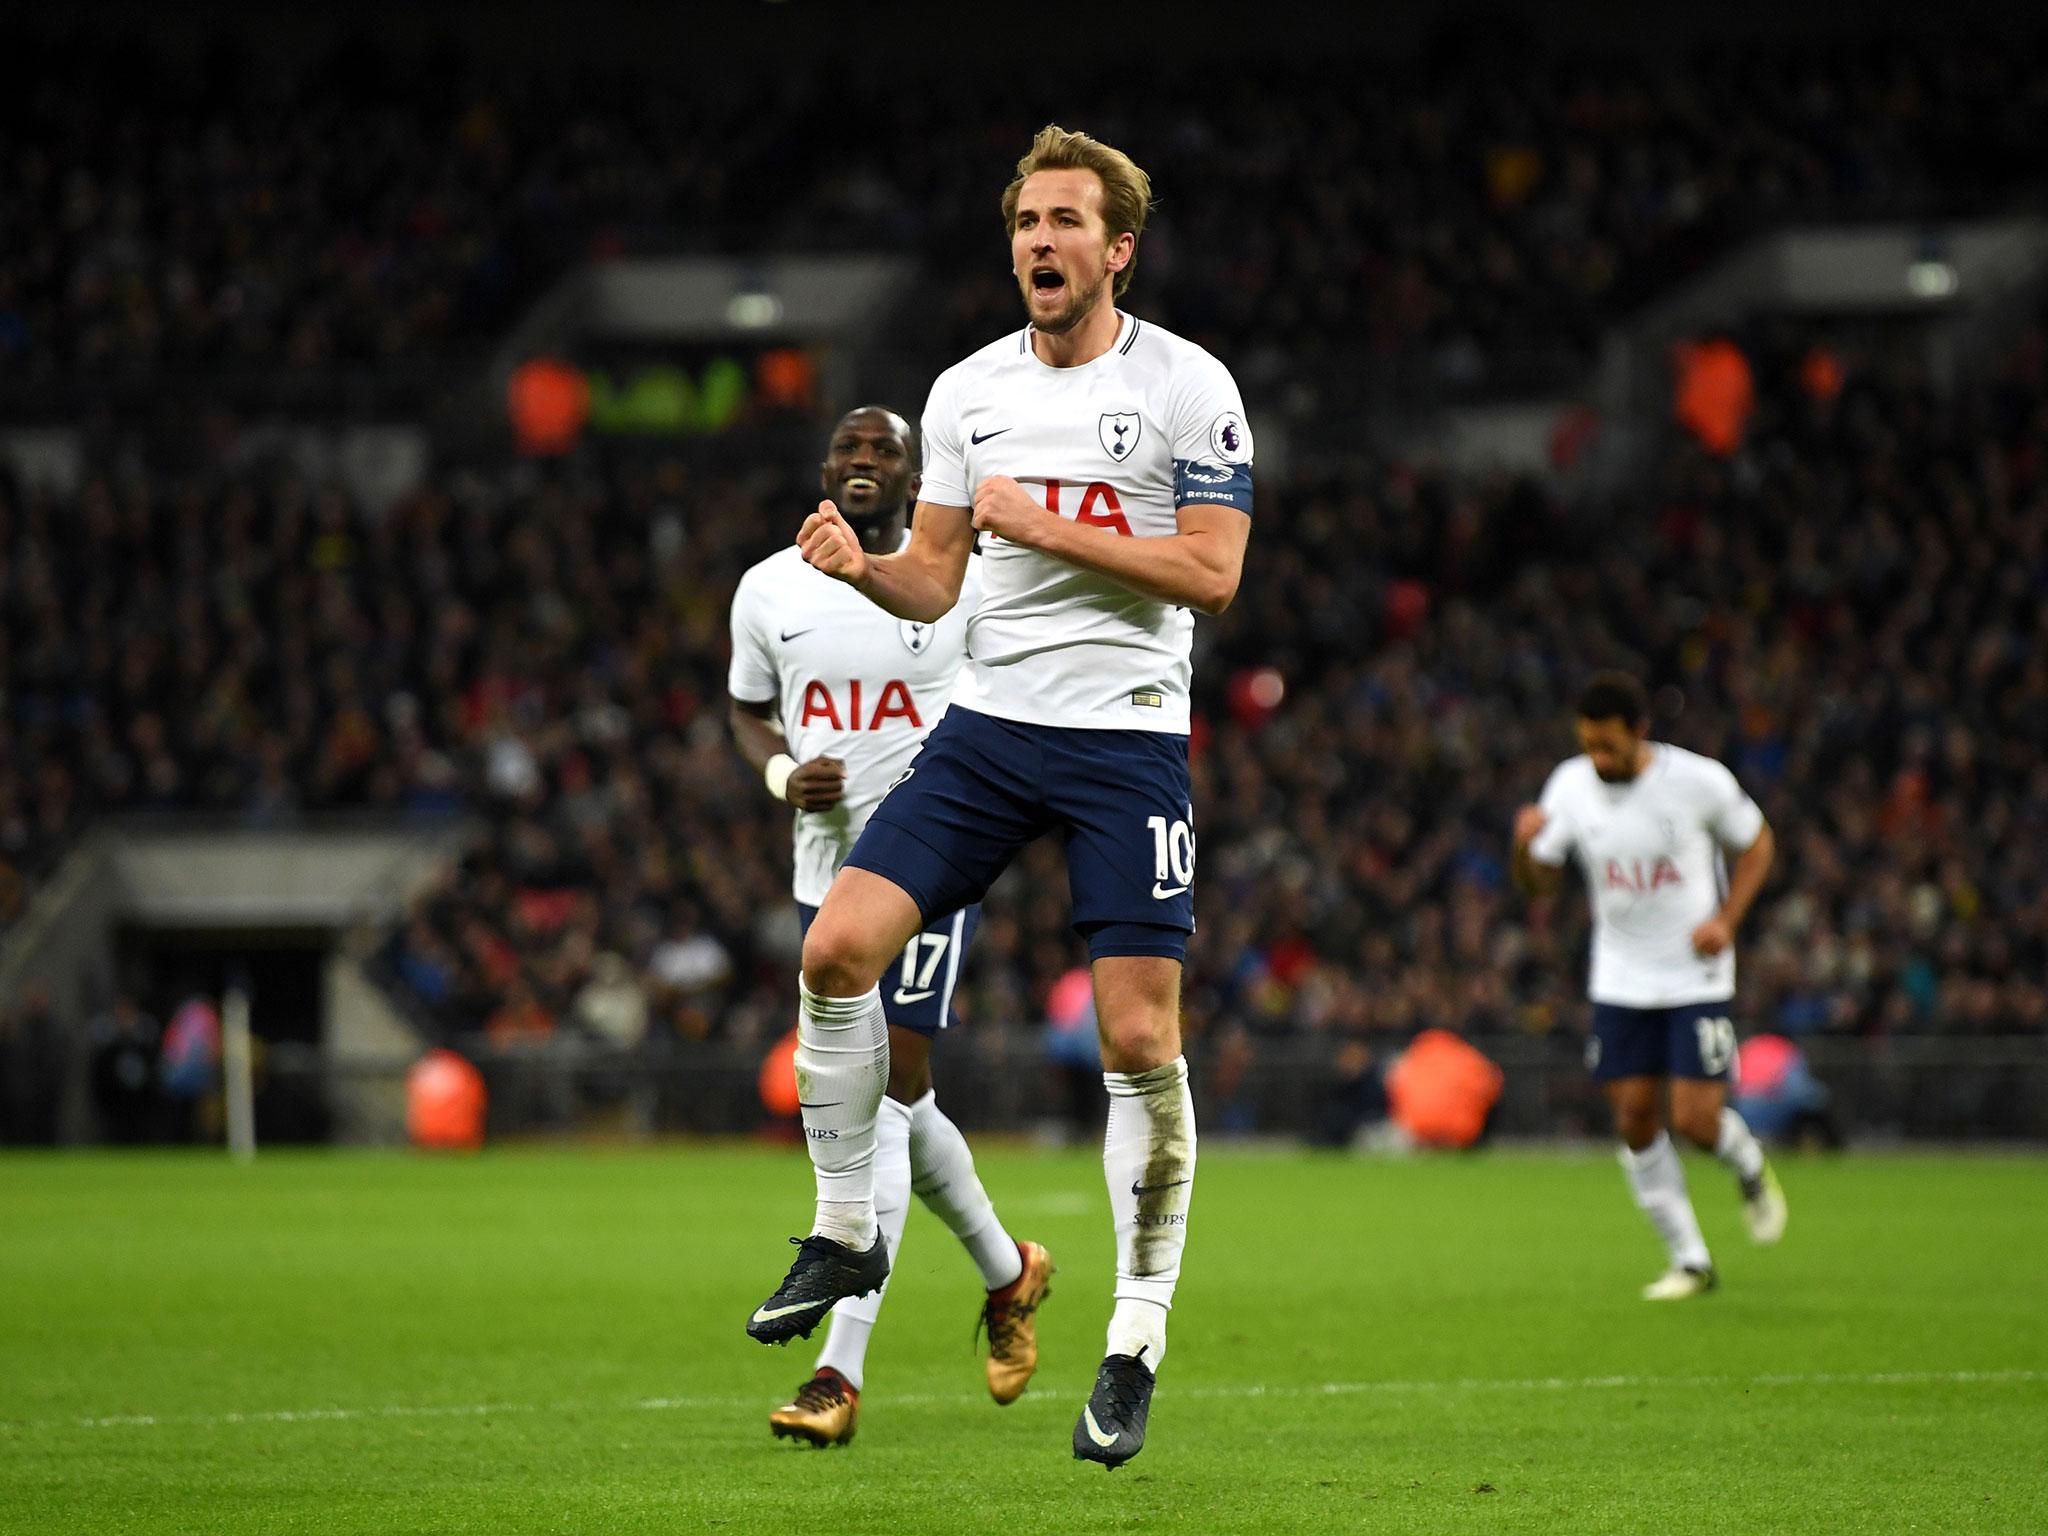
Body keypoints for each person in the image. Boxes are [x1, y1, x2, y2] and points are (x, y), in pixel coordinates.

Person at [747, 124, 1255, 1469]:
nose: (1041, 241)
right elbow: (939, 581)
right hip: (986, 729)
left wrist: (1049, 527)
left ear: (1118, 249)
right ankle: (846, 1233)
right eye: (1028, 220)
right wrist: (861, 568)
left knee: (1138, 1039)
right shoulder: (966, 391)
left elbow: (1212, 577)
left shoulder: (1190, 388)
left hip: (1126, 739)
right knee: (834, 947)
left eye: (1068, 221)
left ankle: (1135, 1341)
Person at [729, 405, 1053, 1449]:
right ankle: (1010, 1272)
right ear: (824, 466)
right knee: (903, 1110)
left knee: (874, 1114)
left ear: (917, 477)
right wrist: (783, 771)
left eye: (886, 452)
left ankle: (837, 1375)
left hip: (924, 872)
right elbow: (746, 707)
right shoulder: (768, 587)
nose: (863, 463)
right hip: (822, 879)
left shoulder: (949, 583)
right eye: (849, 450)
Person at [1512, 673, 1789, 1300]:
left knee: (1695, 1121)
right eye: (1588, 745)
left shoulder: (1699, 782)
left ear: (1640, 732)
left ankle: (1746, 1166)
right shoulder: (1570, 785)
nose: (1597, 758)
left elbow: (1758, 844)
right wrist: (1523, 849)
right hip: (1619, 979)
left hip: (1696, 976)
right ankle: (1690, 1259)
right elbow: (1540, 885)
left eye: (1608, 745)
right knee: (1635, 1120)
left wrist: (1726, 921)